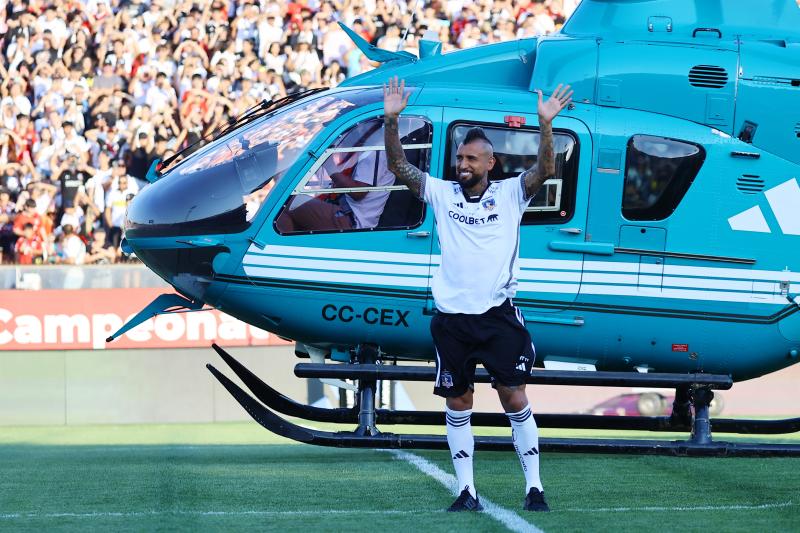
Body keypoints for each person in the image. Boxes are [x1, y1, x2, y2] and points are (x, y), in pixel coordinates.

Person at [382, 76, 572, 513]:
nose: (462, 164)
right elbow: (398, 167)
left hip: (497, 316)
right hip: (451, 320)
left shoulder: (510, 194)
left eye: (470, 158)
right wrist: (392, 119)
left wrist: (546, 125)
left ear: (490, 162)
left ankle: (535, 487)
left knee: (514, 397)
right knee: (458, 401)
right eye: (459, 157)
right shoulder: (443, 193)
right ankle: (466, 491)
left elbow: (545, 169)